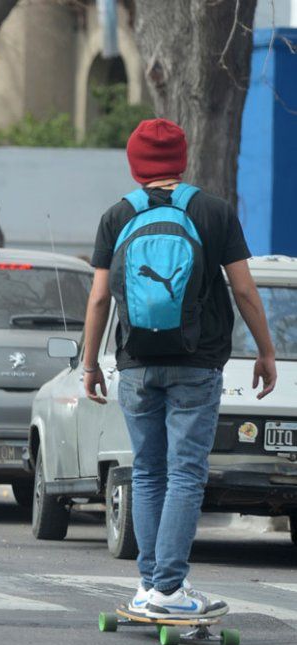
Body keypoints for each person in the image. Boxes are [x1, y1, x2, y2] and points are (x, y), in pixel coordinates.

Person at [82, 118, 276, 619]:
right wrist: (265, 351)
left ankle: (151, 586)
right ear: (181, 160)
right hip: (198, 362)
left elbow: (100, 297)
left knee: (146, 472)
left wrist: (89, 363)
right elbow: (244, 290)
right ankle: (170, 589)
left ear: (135, 163)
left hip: (137, 363)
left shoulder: (117, 215)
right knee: (186, 473)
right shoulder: (213, 212)